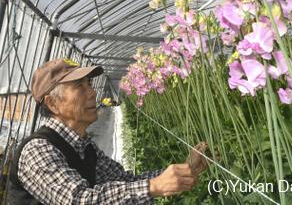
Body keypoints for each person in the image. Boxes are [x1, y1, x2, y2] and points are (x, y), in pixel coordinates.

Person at [8, 59, 209, 204]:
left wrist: (182, 171)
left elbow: (125, 181)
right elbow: (79, 200)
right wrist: (154, 187)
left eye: (89, 84)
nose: (92, 92)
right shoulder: (37, 150)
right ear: (52, 103)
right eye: (79, 86)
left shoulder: (85, 147)